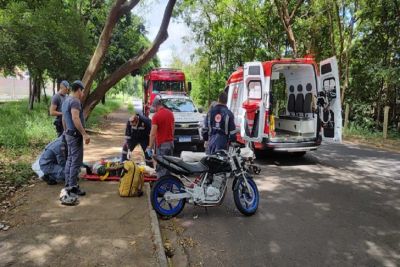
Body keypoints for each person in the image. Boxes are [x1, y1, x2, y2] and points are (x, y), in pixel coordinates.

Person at [60, 80, 90, 206]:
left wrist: (66, 131)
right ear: (79, 90)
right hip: (75, 135)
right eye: (83, 91)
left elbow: (63, 118)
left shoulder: (66, 100)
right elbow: (75, 118)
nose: (83, 94)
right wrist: (84, 134)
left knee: (70, 160)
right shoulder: (75, 101)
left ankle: (70, 185)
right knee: (75, 162)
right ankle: (71, 187)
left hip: (68, 134)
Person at [146, 96, 174, 178]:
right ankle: (169, 186)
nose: (153, 109)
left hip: (162, 145)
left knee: (161, 169)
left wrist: (150, 147)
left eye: (154, 107)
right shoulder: (170, 113)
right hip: (171, 144)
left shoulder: (156, 116)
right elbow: (173, 129)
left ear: (156, 106)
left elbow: (152, 134)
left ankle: (161, 188)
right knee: (169, 167)